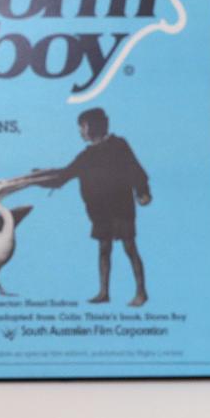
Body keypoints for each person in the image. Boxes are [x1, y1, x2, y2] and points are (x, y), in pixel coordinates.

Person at [38, 107, 152, 306]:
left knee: (129, 247)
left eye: (82, 126)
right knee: (104, 249)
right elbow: (63, 175)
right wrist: (39, 177)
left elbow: (135, 168)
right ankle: (103, 292)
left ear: (93, 126)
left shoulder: (119, 145)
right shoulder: (85, 156)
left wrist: (142, 191)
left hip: (121, 208)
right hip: (100, 213)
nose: (80, 131)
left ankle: (141, 292)